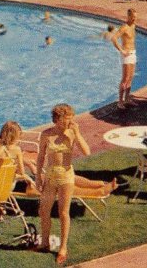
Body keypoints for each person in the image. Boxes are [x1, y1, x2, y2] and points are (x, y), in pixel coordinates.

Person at [35, 104, 91, 266]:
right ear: (58, 119)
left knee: (63, 213)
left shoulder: (72, 134)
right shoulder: (46, 134)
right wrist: (38, 176)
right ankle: (45, 243)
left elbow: (87, 152)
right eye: (68, 118)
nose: (71, 121)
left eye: (72, 118)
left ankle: (63, 248)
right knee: (43, 210)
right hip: (50, 175)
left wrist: (77, 133)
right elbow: (40, 157)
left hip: (66, 176)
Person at [111, 8, 138, 110]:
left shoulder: (134, 26)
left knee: (130, 78)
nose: (135, 19)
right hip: (126, 54)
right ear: (129, 16)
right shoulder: (124, 27)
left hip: (133, 53)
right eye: (133, 17)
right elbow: (114, 38)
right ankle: (120, 101)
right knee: (125, 79)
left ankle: (127, 99)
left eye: (136, 17)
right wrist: (121, 50)